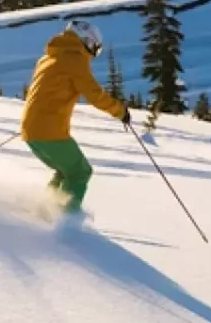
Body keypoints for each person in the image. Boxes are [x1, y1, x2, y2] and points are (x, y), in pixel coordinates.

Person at [20, 19, 130, 220]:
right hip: (49, 130)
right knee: (80, 172)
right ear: (86, 41)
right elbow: (94, 94)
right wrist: (120, 111)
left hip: (32, 129)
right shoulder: (74, 60)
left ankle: (43, 214)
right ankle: (66, 222)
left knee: (65, 171)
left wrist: (35, 121)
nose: (93, 54)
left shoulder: (48, 58)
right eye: (95, 48)